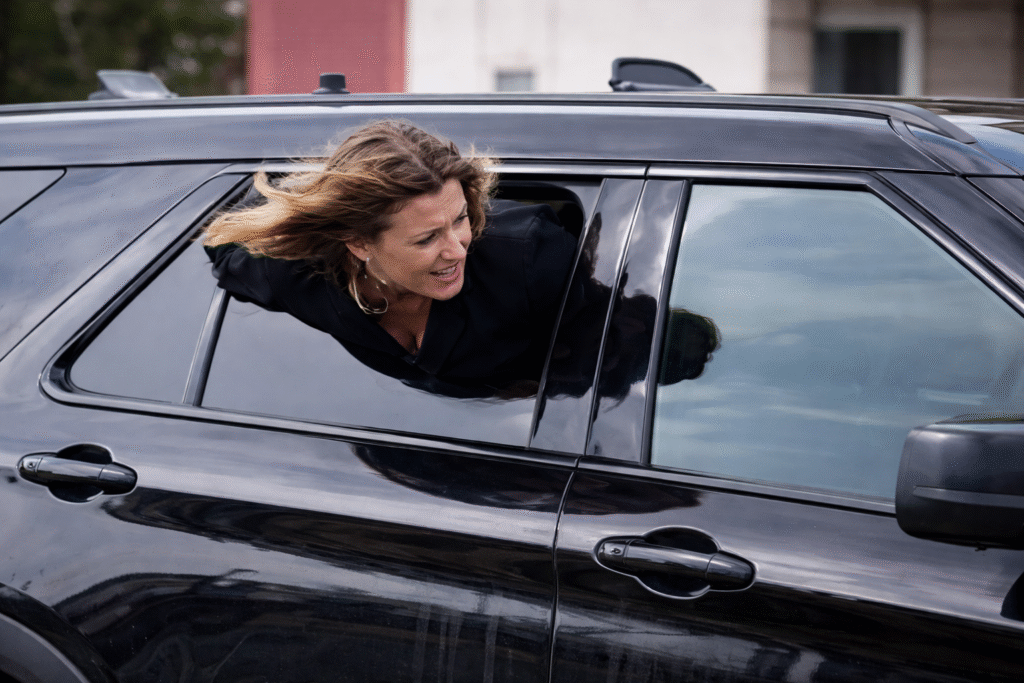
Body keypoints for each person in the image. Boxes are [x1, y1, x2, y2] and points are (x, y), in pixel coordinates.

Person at [202, 121, 577, 393]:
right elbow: (224, 242)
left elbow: (616, 364)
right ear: (359, 243)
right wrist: (321, 184)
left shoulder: (532, 258)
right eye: (426, 238)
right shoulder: (302, 276)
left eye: (460, 217)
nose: (457, 249)